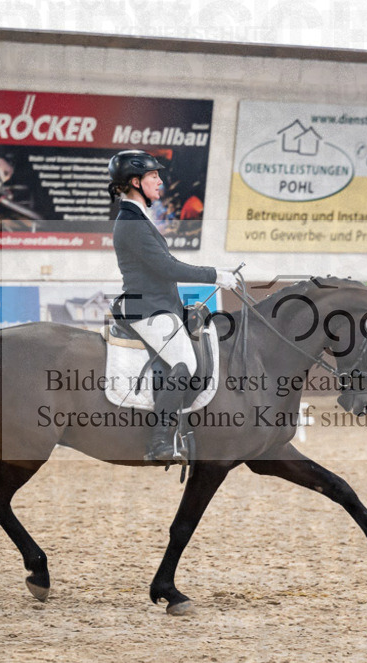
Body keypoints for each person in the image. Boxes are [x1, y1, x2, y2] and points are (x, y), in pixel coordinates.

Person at [107, 150, 236, 462]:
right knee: (184, 364)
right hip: (146, 310)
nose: (160, 182)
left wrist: (181, 309)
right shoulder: (131, 222)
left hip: (157, 306)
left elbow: (158, 273)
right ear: (135, 182)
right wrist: (214, 274)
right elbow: (166, 267)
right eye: (153, 177)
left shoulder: (138, 219)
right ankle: (160, 442)